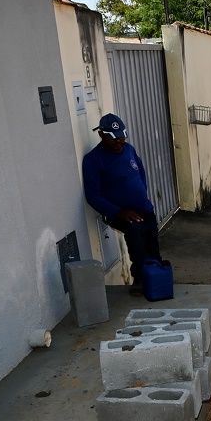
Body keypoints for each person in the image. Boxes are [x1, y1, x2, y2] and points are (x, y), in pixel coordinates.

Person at [82, 113, 160, 295]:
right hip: (121, 214)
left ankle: (158, 277)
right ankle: (140, 279)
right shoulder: (93, 160)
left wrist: (142, 195)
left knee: (152, 243)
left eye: (121, 137)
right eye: (112, 138)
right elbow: (93, 196)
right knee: (136, 238)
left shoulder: (129, 149)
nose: (118, 142)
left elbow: (140, 172)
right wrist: (118, 212)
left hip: (144, 208)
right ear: (101, 135)